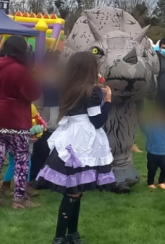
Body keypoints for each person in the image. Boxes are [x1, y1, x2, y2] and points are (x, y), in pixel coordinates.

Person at [36, 51, 116, 244]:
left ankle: (72, 234)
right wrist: (108, 101)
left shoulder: (68, 86)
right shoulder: (92, 91)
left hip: (70, 134)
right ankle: (60, 237)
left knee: (75, 190)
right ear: (91, 68)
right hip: (84, 139)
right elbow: (97, 121)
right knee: (74, 191)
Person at [0, 35, 41, 209]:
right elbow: (33, 93)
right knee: (22, 158)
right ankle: (19, 199)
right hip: (14, 119)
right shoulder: (20, 70)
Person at [31, 52, 61, 189]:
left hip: (54, 122)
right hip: (47, 122)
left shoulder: (62, 81)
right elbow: (37, 104)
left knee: (50, 153)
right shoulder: (41, 82)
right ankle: (36, 178)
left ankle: (43, 178)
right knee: (42, 152)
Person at [140, 108, 165, 190]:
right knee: (152, 169)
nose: (160, 121)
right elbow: (143, 129)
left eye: (162, 119)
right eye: (158, 119)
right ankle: (150, 183)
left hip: (163, 154)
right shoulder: (151, 129)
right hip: (152, 154)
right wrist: (141, 121)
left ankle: (161, 182)